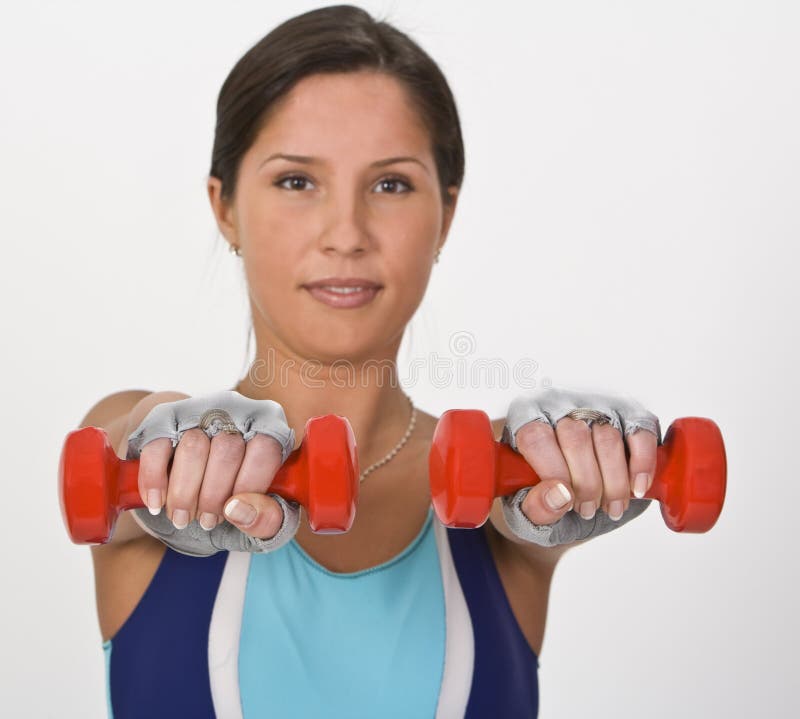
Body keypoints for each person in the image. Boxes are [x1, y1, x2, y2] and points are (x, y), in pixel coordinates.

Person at [77, 6, 660, 718]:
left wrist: (587, 453)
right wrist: (170, 446)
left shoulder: (513, 492)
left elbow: (520, 507)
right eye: (297, 181)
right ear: (224, 207)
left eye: (390, 184)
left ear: (446, 212)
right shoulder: (143, 476)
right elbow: (123, 437)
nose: (346, 233)